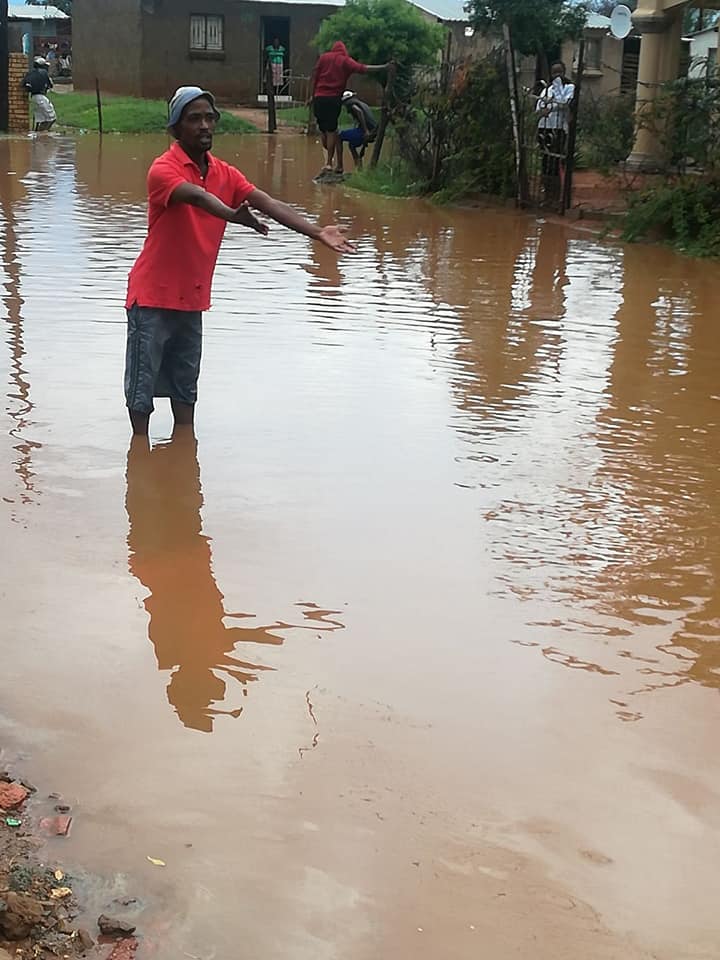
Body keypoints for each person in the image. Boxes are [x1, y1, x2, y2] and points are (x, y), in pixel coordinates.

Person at [124, 85, 354, 437]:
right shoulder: (163, 169)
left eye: (209, 118)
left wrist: (317, 232)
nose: (204, 125)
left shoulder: (225, 174)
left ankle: (183, 466)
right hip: (152, 298)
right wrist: (231, 214)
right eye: (193, 119)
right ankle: (140, 464)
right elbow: (197, 197)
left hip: (192, 299)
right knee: (141, 399)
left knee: (186, 396)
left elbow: (270, 204)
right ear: (175, 129)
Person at [310, 41, 390, 175]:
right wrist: (384, 67)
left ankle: (335, 161)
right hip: (333, 99)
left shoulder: (324, 58)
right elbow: (364, 68)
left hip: (319, 98)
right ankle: (329, 163)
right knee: (332, 131)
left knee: (323, 131)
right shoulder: (346, 61)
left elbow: (314, 78)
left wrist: (312, 97)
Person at [536, 61, 575, 203]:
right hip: (544, 127)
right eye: (554, 72)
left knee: (556, 160)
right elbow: (538, 108)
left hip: (558, 128)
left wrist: (551, 107)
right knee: (545, 160)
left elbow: (564, 103)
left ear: (564, 72)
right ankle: (546, 194)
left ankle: (557, 196)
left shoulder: (569, 87)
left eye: (559, 72)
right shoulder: (546, 90)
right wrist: (544, 110)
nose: (556, 75)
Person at [337, 90, 378, 173]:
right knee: (352, 145)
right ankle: (359, 168)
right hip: (373, 131)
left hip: (366, 131)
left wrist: (366, 131)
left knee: (338, 136)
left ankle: (340, 166)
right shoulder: (362, 103)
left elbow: (359, 112)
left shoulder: (351, 103)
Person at [21, 57, 57, 132]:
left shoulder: (30, 73)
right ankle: (43, 132)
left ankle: (38, 133)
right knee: (52, 117)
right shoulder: (44, 73)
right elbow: (50, 85)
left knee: (40, 119)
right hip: (40, 97)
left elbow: (24, 84)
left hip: (33, 97)